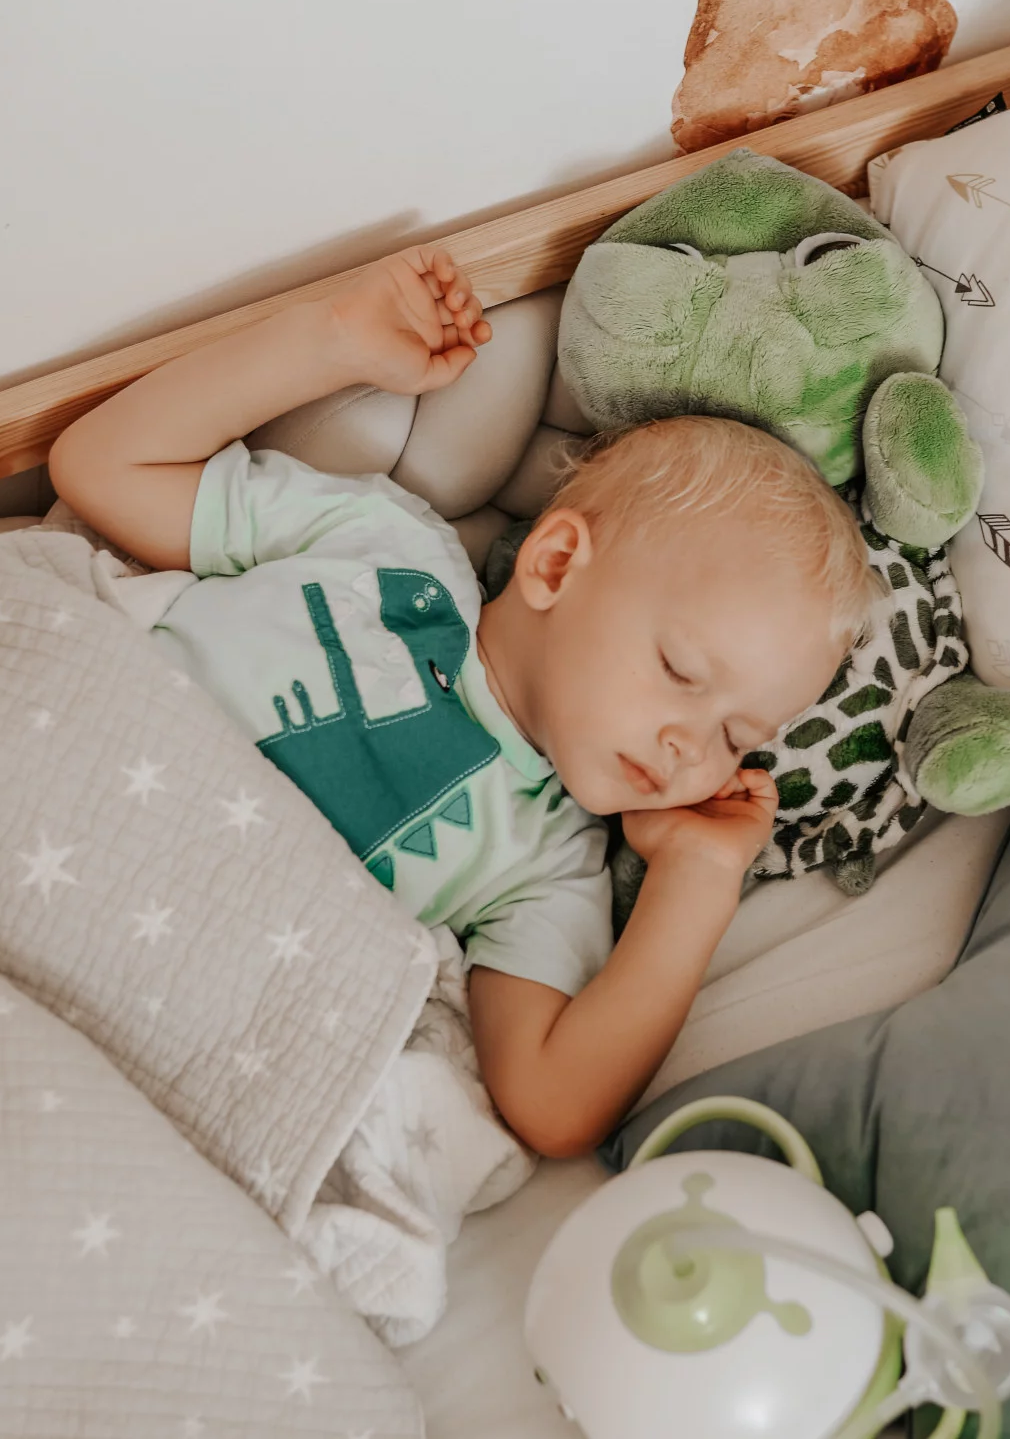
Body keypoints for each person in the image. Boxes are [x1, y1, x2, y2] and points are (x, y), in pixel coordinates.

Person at [50, 244, 878, 1158]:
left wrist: (697, 880)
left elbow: (555, 1108)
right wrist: (331, 343)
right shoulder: (383, 547)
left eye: (739, 737)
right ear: (556, 564)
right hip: (69, 769)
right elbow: (100, 463)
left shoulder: (547, 859)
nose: (693, 750)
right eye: (682, 672)